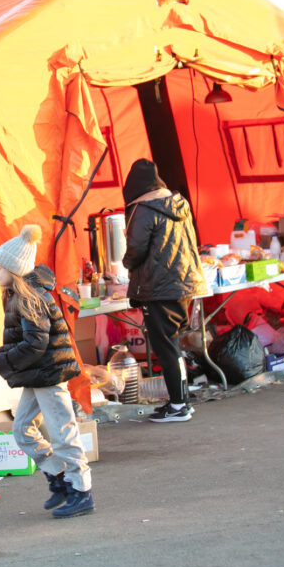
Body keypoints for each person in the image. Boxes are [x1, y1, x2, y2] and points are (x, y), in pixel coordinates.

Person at [0, 224, 94, 519]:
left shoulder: (31, 298)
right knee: (22, 430)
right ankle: (59, 477)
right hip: (37, 376)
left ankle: (81, 491)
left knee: (63, 434)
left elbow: (37, 343)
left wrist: (3, 360)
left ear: (14, 269)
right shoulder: (18, 295)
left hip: (48, 375)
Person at [121, 159, 205, 423]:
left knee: (166, 346)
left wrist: (125, 265)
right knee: (172, 344)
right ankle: (181, 402)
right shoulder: (179, 204)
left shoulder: (143, 208)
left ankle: (179, 405)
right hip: (183, 284)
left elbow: (135, 249)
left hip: (159, 287)